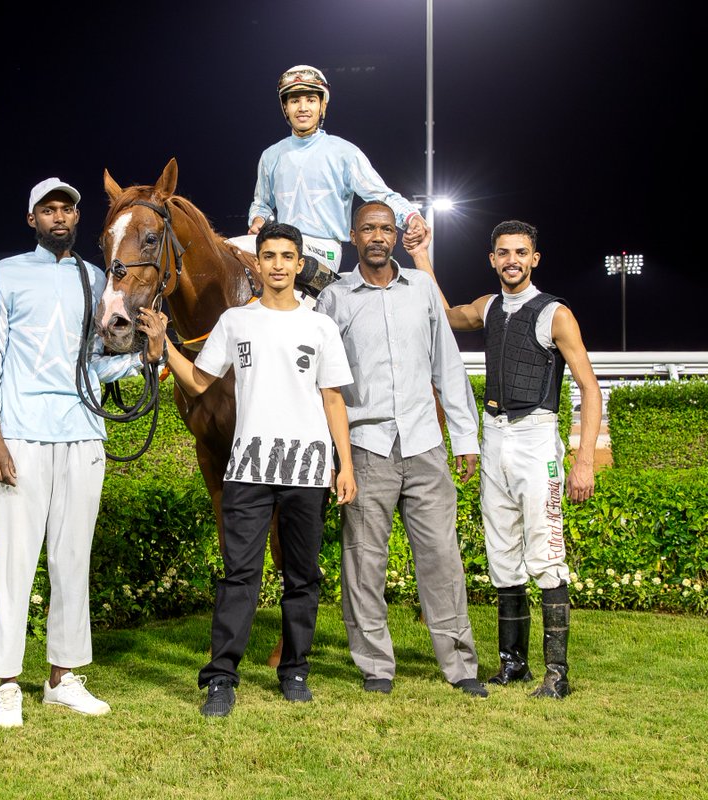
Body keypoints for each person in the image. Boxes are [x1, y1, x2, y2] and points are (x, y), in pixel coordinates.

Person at [142, 222, 356, 717]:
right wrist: (164, 343)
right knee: (240, 576)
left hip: (306, 470)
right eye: (269, 256)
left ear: (300, 265)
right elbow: (198, 382)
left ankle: (295, 671)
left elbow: (332, 398)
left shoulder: (320, 326)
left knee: (301, 577)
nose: (278, 265)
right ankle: (221, 678)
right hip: (248, 470)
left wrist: (344, 465)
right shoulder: (235, 322)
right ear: (255, 263)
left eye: (287, 256)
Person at [0, 178, 163, 727]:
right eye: (48, 210)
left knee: (71, 559)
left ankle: (63, 677)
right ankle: (6, 682)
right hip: (22, 437)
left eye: (67, 209)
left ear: (79, 218)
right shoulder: (5, 273)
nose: (59, 217)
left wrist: (146, 358)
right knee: (14, 561)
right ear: (31, 219)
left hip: (82, 433)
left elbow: (96, 365)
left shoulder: (97, 277)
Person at [412, 220, 599, 699]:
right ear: (492, 259)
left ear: (535, 258)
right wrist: (421, 256)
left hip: (537, 439)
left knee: (545, 552)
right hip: (493, 435)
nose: (511, 259)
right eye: (503, 252)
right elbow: (444, 313)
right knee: (502, 554)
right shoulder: (488, 306)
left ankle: (556, 672)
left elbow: (589, 388)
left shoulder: (556, 313)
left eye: (521, 252)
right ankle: (512, 664)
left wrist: (583, 460)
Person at [314, 201, 486, 697]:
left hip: (425, 446)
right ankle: (376, 667)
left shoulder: (424, 292)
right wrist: (333, 454)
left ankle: (460, 666)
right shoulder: (335, 299)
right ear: (353, 235)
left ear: (395, 236)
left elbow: (447, 367)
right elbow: (323, 384)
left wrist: (465, 437)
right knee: (363, 561)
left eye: (386, 228)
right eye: (368, 227)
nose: (377, 236)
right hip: (366, 448)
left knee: (442, 559)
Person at [247, 65, 429, 273]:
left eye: (311, 100)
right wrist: (258, 220)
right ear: (285, 107)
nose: (303, 107)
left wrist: (411, 217)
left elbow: (381, 196)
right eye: (295, 101)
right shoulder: (271, 155)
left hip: (324, 249)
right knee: (231, 251)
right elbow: (261, 204)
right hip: (281, 243)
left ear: (322, 106)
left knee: (285, 265)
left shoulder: (345, 152)